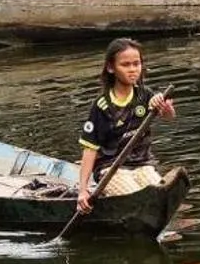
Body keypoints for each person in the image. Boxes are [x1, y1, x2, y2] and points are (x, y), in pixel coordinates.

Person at [76, 38, 177, 212]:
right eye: (125, 65)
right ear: (111, 68)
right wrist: (83, 190)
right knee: (137, 199)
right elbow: (90, 149)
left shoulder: (145, 96)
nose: (132, 70)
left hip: (143, 165)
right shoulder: (102, 106)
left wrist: (165, 107)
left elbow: (169, 116)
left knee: (160, 195)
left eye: (136, 64)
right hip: (111, 170)